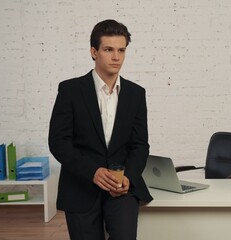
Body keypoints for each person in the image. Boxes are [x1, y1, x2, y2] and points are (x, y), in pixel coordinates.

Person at [48, 19, 152, 240]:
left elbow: (139, 145)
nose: (116, 57)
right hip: (80, 186)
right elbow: (59, 142)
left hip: (121, 188)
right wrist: (92, 172)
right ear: (94, 52)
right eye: (108, 50)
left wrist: (129, 178)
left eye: (121, 50)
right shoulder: (70, 90)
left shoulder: (136, 94)